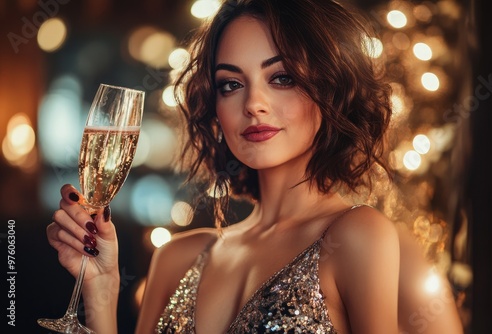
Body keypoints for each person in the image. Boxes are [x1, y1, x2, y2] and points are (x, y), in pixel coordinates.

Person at [47, 0, 462, 333]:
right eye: (232, 84)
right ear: (215, 105)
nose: (253, 104)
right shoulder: (176, 258)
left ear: (330, 89)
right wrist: (102, 289)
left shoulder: (358, 235)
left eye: (281, 77)